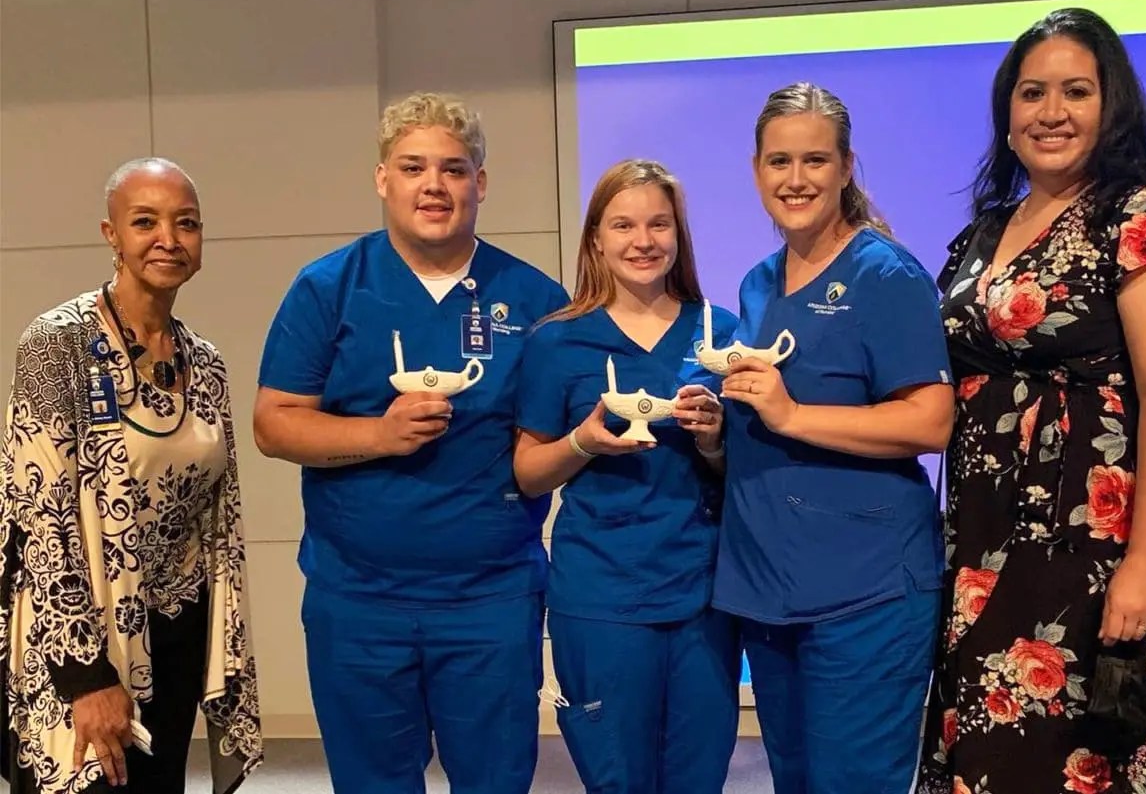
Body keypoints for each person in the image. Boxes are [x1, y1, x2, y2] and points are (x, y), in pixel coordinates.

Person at [917, 7, 1146, 794]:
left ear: (1112, 105)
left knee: (1079, 761)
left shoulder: (1144, 216)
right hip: (982, 543)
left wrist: (1145, 563)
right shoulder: (984, 232)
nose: (1051, 111)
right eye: (1032, 92)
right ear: (1007, 115)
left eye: (1076, 91)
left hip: (1091, 547)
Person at [253, 92, 568, 794]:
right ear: (382, 179)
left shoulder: (537, 300)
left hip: (491, 599)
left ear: (480, 183)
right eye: (413, 167)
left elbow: (549, 443)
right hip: (358, 600)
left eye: (453, 170)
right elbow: (274, 423)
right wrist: (379, 434)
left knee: (495, 782)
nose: (434, 186)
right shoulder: (329, 288)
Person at [713, 82, 955, 793]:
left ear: (846, 166)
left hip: (865, 592)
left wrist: (792, 414)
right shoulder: (758, 284)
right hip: (769, 589)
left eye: (815, 160)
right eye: (779, 161)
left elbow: (930, 420)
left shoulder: (886, 274)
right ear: (756, 169)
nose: (796, 179)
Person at [0, 158, 263, 794]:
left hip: (175, 635)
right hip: (80, 642)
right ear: (111, 234)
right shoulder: (56, 344)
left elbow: (217, 518)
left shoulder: (206, 362)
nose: (168, 239)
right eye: (145, 222)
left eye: (186, 223)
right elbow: (40, 518)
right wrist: (86, 678)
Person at [512, 158, 740, 794]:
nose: (643, 241)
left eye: (658, 224)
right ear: (596, 239)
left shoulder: (720, 333)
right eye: (623, 225)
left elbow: (745, 474)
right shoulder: (557, 342)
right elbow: (528, 474)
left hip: (704, 595)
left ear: (679, 236)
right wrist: (582, 442)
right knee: (619, 781)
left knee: (698, 779)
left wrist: (714, 441)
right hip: (602, 597)